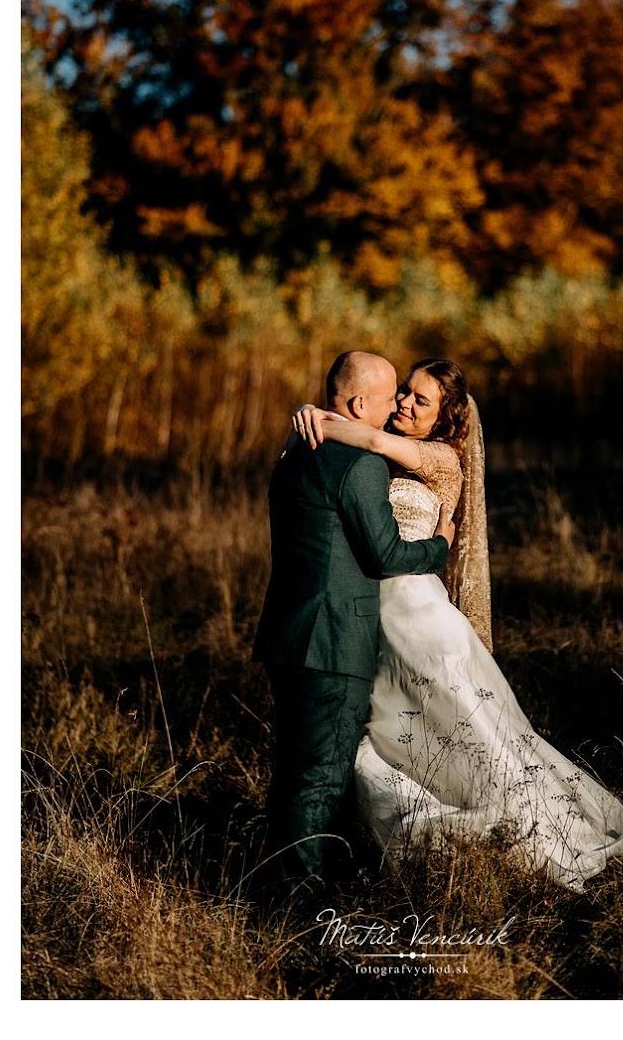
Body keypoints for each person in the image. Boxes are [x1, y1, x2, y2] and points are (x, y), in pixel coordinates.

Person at [292, 358, 623, 893]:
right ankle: (401, 853)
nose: (405, 404)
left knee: (481, 745)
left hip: (420, 622)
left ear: (444, 421)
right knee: (396, 743)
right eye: (404, 392)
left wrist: (324, 418)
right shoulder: (373, 450)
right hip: (374, 623)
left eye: (421, 401)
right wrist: (314, 413)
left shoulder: (437, 459)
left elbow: (376, 443)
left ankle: (543, 840)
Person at [251, 351, 456, 906]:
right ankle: (297, 905)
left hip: (287, 634)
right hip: (335, 639)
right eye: (390, 397)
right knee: (320, 776)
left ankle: (280, 882)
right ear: (359, 403)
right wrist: (440, 544)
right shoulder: (359, 465)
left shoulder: (294, 452)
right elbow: (387, 552)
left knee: (292, 769)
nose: (395, 409)